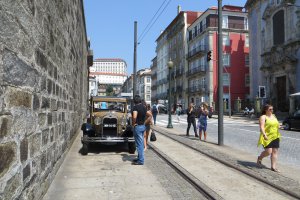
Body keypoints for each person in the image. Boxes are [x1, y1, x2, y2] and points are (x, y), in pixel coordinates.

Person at [257, 104, 281, 172]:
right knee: (268, 151)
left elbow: (277, 124)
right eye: (270, 109)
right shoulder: (263, 117)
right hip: (266, 136)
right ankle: (260, 158)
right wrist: (264, 134)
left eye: (272, 109)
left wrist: (280, 127)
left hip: (275, 136)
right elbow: (262, 127)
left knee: (275, 151)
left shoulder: (274, 116)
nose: (272, 110)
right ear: (266, 110)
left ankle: (273, 167)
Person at [131, 95, 147, 165]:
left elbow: (134, 116)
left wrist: (133, 123)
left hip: (138, 127)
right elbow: (149, 115)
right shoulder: (144, 107)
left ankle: (141, 160)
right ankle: (139, 158)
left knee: (139, 144)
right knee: (140, 143)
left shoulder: (135, 107)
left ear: (134, 101)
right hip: (143, 126)